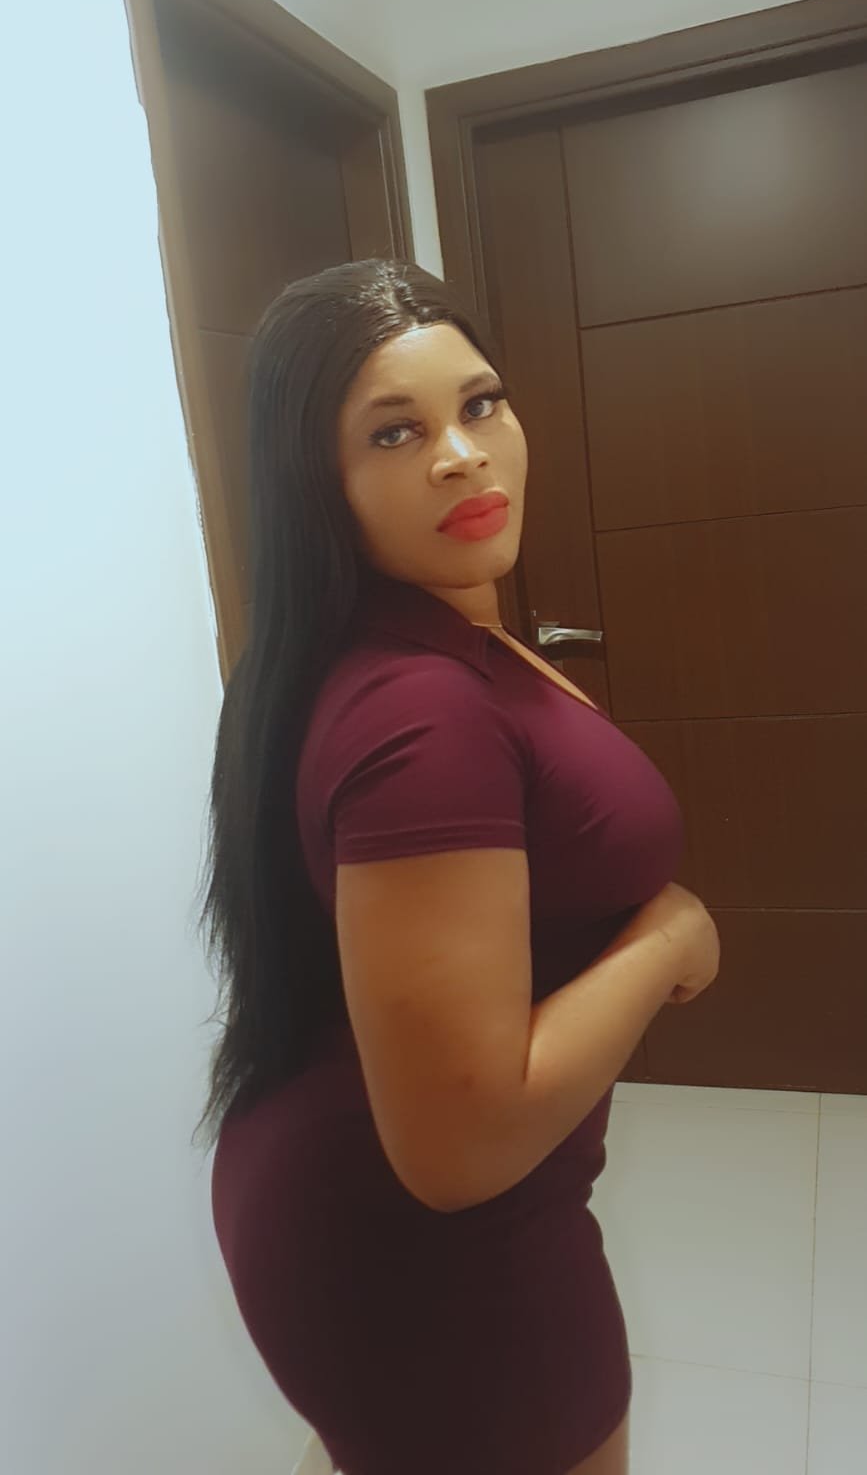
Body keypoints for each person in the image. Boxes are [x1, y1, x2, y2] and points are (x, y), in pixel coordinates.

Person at [203, 259, 720, 1475]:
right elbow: (459, 1147)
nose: (460, 454)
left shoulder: (410, 634)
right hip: (433, 1258)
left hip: (347, 1192)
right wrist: (667, 937)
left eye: (480, 403)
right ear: (314, 481)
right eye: (394, 432)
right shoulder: (416, 714)